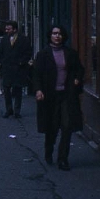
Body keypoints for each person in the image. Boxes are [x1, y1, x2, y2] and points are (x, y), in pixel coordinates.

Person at [33, 25, 84, 170]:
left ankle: (63, 159)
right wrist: (38, 90)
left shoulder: (70, 53)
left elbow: (79, 69)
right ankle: (49, 150)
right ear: (50, 36)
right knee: (52, 127)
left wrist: (76, 78)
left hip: (66, 94)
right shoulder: (43, 54)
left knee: (67, 126)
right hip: (50, 95)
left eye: (60, 34)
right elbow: (36, 74)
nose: (57, 36)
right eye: (54, 33)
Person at [0, 20, 33, 118]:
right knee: (6, 90)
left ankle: (17, 111)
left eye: (9, 29)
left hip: (18, 69)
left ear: (15, 29)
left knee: (18, 90)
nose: (6, 31)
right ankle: (9, 109)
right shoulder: (4, 40)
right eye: (6, 29)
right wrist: (0, 63)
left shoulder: (23, 39)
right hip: (7, 68)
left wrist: (22, 62)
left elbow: (28, 52)